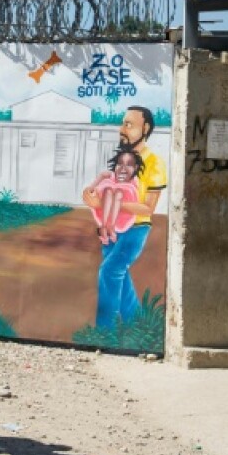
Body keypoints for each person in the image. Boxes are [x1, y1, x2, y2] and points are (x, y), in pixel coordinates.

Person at [82, 105, 166, 328]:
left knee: (110, 271)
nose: (122, 129)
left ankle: (105, 329)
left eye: (128, 124)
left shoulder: (154, 162)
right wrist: (91, 196)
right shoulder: (123, 158)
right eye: (122, 124)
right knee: (119, 274)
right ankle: (135, 321)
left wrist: (105, 204)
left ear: (145, 128)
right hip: (111, 228)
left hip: (135, 229)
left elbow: (148, 208)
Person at [85, 145, 145, 244]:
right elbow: (100, 178)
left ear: (135, 168)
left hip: (122, 215)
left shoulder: (134, 181)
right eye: (120, 163)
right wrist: (91, 188)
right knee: (108, 190)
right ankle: (104, 227)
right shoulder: (111, 176)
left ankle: (111, 227)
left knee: (119, 193)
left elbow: (138, 199)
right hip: (106, 211)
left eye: (129, 164)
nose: (123, 168)